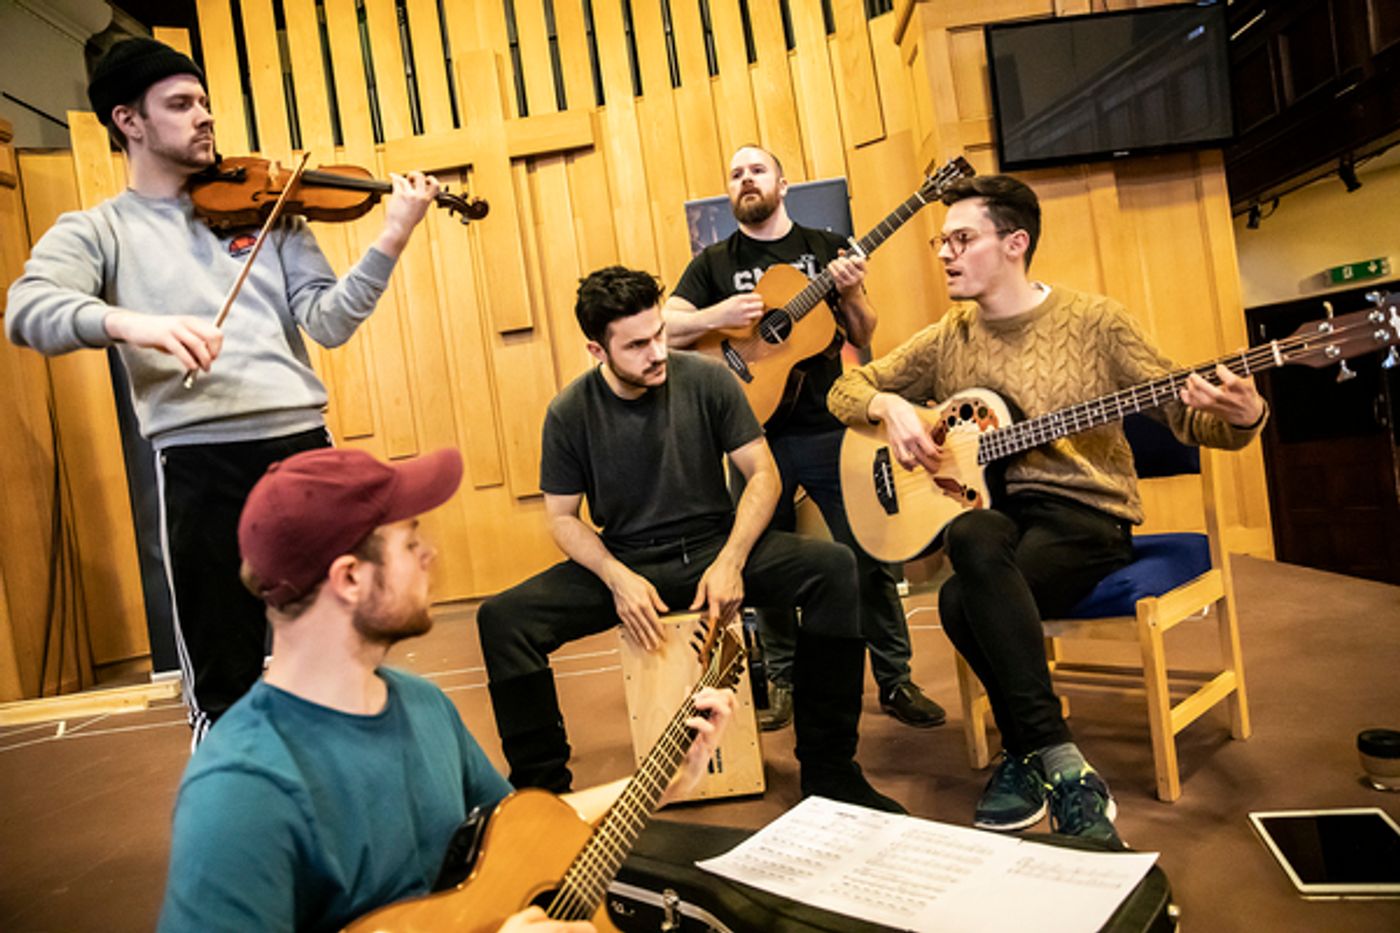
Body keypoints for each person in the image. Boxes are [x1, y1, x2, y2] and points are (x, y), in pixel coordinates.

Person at [5, 38, 441, 743]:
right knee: (224, 672)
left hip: (302, 447)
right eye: (181, 104)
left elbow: (328, 322)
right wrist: (131, 322)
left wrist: (390, 239)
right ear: (129, 121)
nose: (205, 117)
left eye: (205, 101)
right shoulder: (97, 230)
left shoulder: (271, 207)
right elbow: (27, 311)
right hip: (200, 459)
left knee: (351, 637)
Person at [827, 174, 1268, 848]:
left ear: (1015, 243)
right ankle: (1059, 762)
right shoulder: (950, 336)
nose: (944, 253)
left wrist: (1247, 415)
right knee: (972, 540)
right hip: (1003, 519)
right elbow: (846, 387)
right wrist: (886, 406)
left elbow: (1186, 415)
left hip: (1087, 517)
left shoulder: (1097, 322)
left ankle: (1024, 753)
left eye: (962, 239)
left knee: (956, 604)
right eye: (941, 241)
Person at [157, 445, 733, 932]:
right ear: (350, 579)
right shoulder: (239, 790)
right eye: (409, 543)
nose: (430, 554)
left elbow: (518, 835)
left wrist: (661, 783)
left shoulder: (419, 703)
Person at [476, 265, 902, 813]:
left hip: (712, 547)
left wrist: (731, 561)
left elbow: (763, 475)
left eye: (657, 334)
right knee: (504, 621)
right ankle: (545, 799)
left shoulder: (707, 379)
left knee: (835, 570)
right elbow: (562, 518)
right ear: (596, 350)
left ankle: (830, 768)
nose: (655, 352)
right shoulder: (569, 412)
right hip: (629, 560)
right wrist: (617, 578)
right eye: (635, 345)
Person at [662, 144, 945, 732]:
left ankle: (894, 678)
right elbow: (662, 329)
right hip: (750, 436)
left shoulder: (825, 249)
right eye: (735, 173)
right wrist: (718, 317)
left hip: (829, 427)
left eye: (756, 170)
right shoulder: (715, 262)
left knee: (869, 550)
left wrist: (853, 292)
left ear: (782, 184)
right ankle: (785, 679)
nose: (746, 180)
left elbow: (864, 332)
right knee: (763, 561)